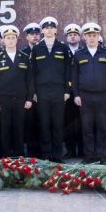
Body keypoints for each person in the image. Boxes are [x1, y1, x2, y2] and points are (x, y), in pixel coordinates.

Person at [71, 22, 106, 164]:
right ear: (84, 37)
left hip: (103, 95)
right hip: (85, 96)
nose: (92, 38)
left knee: (102, 126)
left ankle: (101, 155)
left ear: (98, 36)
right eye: (89, 35)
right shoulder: (79, 54)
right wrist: (76, 94)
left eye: (94, 35)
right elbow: (74, 76)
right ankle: (89, 155)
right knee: (87, 126)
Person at [30, 16, 71, 162]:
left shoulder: (63, 48)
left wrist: (67, 90)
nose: (49, 30)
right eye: (46, 28)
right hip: (42, 93)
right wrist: (33, 91)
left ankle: (57, 155)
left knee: (58, 124)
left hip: (59, 92)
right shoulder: (36, 49)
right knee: (44, 124)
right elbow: (32, 72)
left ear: (55, 30)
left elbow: (68, 71)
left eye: (51, 27)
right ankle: (46, 155)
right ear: (42, 30)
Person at [0, 25, 33, 156]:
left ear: (17, 40)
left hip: (20, 99)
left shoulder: (24, 57)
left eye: (13, 38)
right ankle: (6, 156)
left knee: (19, 128)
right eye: (7, 38)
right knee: (5, 128)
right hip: (4, 99)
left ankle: (19, 155)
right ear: (3, 40)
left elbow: (30, 80)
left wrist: (29, 98)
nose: (10, 40)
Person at [21, 22, 42, 157]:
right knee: (29, 123)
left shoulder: (44, 50)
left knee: (42, 123)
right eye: (31, 34)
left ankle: (42, 152)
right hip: (28, 94)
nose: (35, 36)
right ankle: (31, 152)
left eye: (36, 34)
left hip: (43, 93)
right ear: (27, 37)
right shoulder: (23, 53)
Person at [63, 23, 84, 158]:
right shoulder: (62, 51)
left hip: (82, 91)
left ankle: (82, 150)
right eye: (70, 35)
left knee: (83, 122)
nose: (72, 37)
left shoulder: (84, 51)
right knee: (68, 122)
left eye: (75, 35)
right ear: (66, 38)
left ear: (80, 37)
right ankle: (70, 150)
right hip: (67, 93)